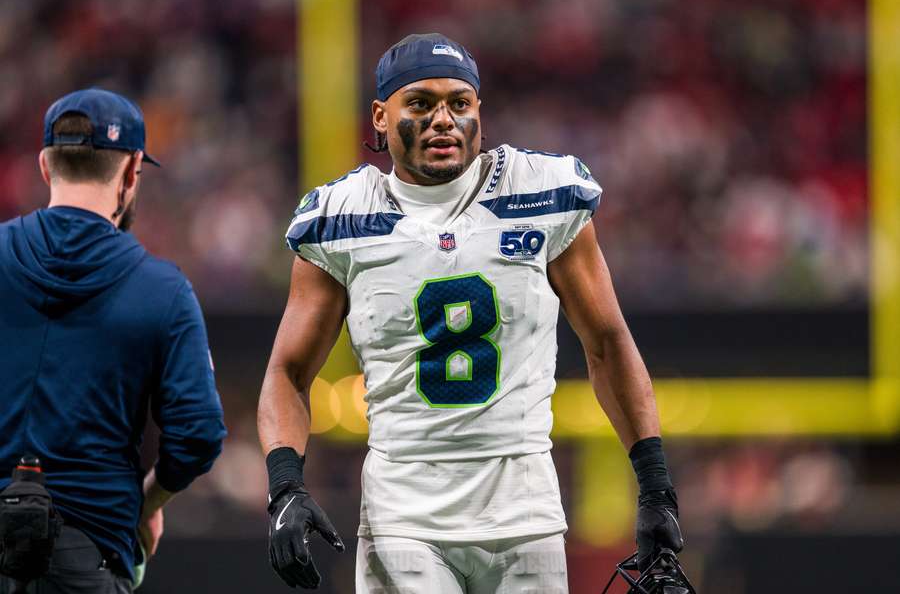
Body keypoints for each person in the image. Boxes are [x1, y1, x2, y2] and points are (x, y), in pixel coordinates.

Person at [257, 34, 683, 592]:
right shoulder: (342, 218)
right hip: (402, 518)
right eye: (420, 104)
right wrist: (285, 486)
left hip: (525, 511)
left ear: (479, 109)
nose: (443, 120)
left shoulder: (542, 194)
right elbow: (287, 372)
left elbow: (607, 343)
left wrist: (655, 486)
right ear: (381, 118)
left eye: (459, 102)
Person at [0, 88, 227, 593]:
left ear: (43, 165)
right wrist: (149, 502)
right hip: (88, 551)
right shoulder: (162, 288)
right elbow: (200, 433)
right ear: (130, 172)